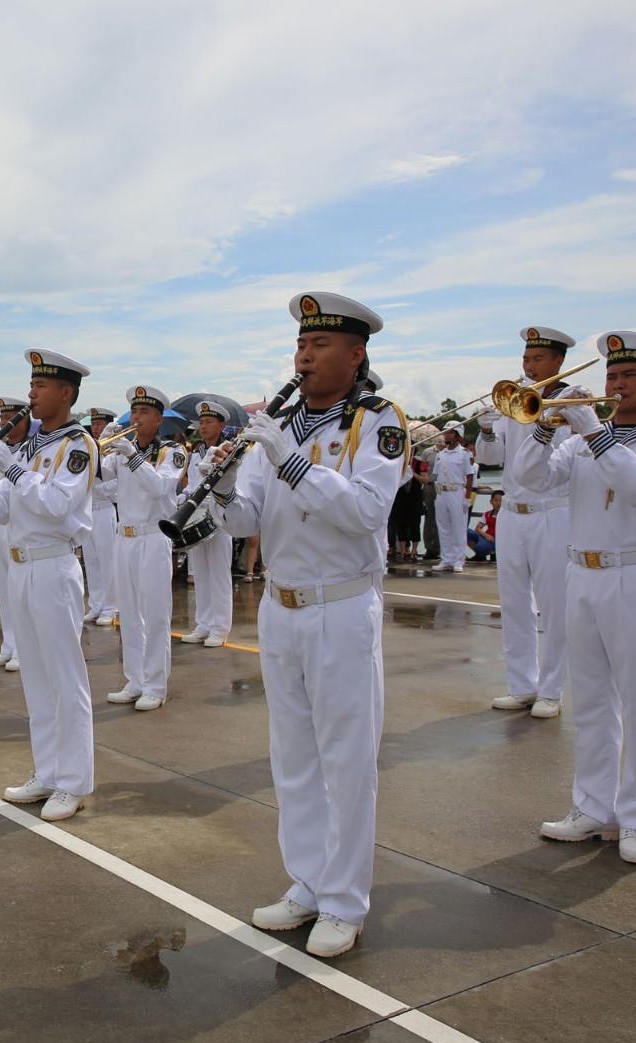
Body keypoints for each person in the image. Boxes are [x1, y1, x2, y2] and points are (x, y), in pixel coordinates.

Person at [215, 291, 408, 957]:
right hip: (283, 606)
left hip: (341, 606)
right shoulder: (284, 424)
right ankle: (307, 882)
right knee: (292, 757)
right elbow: (250, 522)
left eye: (320, 344)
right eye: (301, 343)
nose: (304, 354)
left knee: (346, 760)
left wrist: (286, 460)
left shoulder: (378, 423)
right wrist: (216, 495)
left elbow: (364, 513)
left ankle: (346, 900)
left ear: (355, 355)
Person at [512, 330, 636, 865]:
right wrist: (543, 428)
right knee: (590, 700)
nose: (615, 385)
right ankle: (594, 807)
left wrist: (594, 434)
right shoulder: (586, 437)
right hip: (581, 573)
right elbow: (528, 479)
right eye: (611, 375)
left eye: (628, 376)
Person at [0, 349, 97, 821]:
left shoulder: (77, 445)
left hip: (54, 567)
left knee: (65, 677)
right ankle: (47, 771)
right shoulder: (30, 447)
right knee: (37, 679)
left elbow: (57, 504)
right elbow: (3, 510)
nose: (31, 394)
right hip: (21, 568)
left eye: (40, 386)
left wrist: (13, 470)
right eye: (31, 385)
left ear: (66, 392)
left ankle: (75, 781)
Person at [484, 327, 577, 719]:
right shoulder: (515, 398)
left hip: (551, 512)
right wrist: (489, 427)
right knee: (515, 602)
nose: (528, 364)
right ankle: (523, 685)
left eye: (537, 359)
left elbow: (567, 460)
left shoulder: (573, 401)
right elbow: (493, 456)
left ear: (557, 361)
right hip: (512, 513)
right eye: (526, 358)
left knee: (554, 604)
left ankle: (551, 689)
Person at [103, 386, 183, 710]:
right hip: (124, 538)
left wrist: (130, 454)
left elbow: (159, 487)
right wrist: (100, 449)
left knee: (155, 615)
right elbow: (97, 479)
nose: (136, 418)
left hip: (153, 537)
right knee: (130, 615)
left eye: (144, 413)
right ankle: (135, 680)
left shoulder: (172, 452)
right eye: (134, 412)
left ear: (159, 418)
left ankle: (155, 685)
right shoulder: (124, 451)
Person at [0, 396, 32, 671]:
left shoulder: (28, 450)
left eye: (8, 419)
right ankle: (8, 644)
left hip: (17, 523)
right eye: (1, 418)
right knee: (3, 586)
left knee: (18, 589)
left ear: (22, 420)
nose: (3, 424)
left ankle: (23, 649)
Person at [179, 401, 234, 646]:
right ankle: (203, 624)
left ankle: (220, 628)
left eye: (208, 422)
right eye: (201, 422)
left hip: (219, 515)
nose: (203, 426)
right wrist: (184, 496)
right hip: (197, 514)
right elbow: (192, 484)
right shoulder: (197, 452)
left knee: (219, 573)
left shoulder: (229, 450)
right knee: (200, 571)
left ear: (221, 425)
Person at [82, 405, 120, 626]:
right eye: (93, 424)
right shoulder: (91, 447)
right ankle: (96, 605)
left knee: (108, 561)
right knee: (92, 561)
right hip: (89, 509)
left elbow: (120, 482)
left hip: (105, 508)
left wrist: (99, 490)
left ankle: (111, 607)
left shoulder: (117, 449)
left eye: (99, 423)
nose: (95, 427)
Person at [430, 422, 474, 572]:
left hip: (457, 492)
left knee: (458, 527)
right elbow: (436, 475)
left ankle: (458, 561)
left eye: (450, 432)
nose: (447, 435)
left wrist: (467, 498)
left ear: (457, 435)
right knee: (443, 527)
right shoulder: (440, 455)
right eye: (446, 432)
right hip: (442, 493)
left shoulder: (464, 454)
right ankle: (446, 559)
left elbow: (469, 477)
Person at [468, 490, 501, 560]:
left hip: (500, 539)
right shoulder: (487, 514)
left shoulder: (508, 515)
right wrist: (487, 536)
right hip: (487, 537)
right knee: (466, 532)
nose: (498, 503)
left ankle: (494, 553)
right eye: (496, 500)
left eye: (501, 501)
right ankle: (480, 555)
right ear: (491, 502)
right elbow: (478, 528)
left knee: (481, 547)